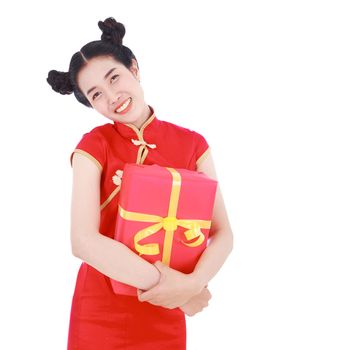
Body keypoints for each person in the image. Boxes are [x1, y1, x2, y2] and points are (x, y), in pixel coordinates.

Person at [47, 17, 233, 350]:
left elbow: (222, 232)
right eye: (96, 94)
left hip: (165, 316)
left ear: (134, 68)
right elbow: (83, 241)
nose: (112, 96)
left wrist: (193, 285)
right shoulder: (92, 146)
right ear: (91, 105)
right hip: (100, 313)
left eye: (114, 78)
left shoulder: (193, 144)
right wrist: (175, 290)